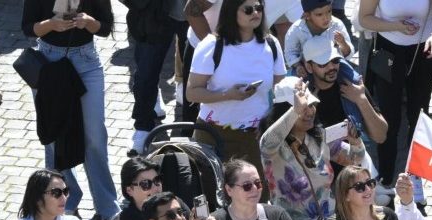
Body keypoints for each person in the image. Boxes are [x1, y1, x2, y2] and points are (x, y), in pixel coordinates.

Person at [22, 0, 120, 220]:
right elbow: (28, 27)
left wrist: (88, 22)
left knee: (94, 135)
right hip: (49, 60)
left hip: (86, 60)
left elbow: (106, 27)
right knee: (54, 137)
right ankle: (66, 200)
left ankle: (106, 205)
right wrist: (50, 24)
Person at [185, 0, 288, 193]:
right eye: (248, 9)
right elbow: (192, 92)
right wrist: (228, 95)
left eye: (259, 8)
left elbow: (280, 88)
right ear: (232, 12)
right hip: (215, 136)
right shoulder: (211, 46)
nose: (255, 13)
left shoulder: (271, 44)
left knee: (257, 200)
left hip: (256, 138)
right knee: (215, 198)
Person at [359, 0, 432, 190]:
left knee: (419, 117)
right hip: (388, 52)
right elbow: (364, 18)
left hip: (423, 51)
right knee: (388, 117)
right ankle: (386, 176)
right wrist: (395, 26)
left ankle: (415, 177)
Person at [260, 79, 346, 220]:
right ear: (285, 111)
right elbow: (266, 142)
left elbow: (354, 158)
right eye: (303, 107)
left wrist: (356, 139)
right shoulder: (274, 147)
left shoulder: (317, 137)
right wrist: (295, 111)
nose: (310, 112)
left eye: (312, 106)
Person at [124, 0, 189, 153]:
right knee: (146, 72)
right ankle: (142, 126)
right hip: (153, 13)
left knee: (195, 70)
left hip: (194, 14)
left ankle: (190, 128)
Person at [284, 0, 357, 71]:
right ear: (307, 15)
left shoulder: (337, 25)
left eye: (329, 11)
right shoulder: (297, 29)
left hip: (334, 66)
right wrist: (298, 66)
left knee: (355, 79)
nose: (326, 18)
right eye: (319, 14)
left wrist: (343, 43)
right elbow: (290, 52)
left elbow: (348, 53)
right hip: (307, 68)